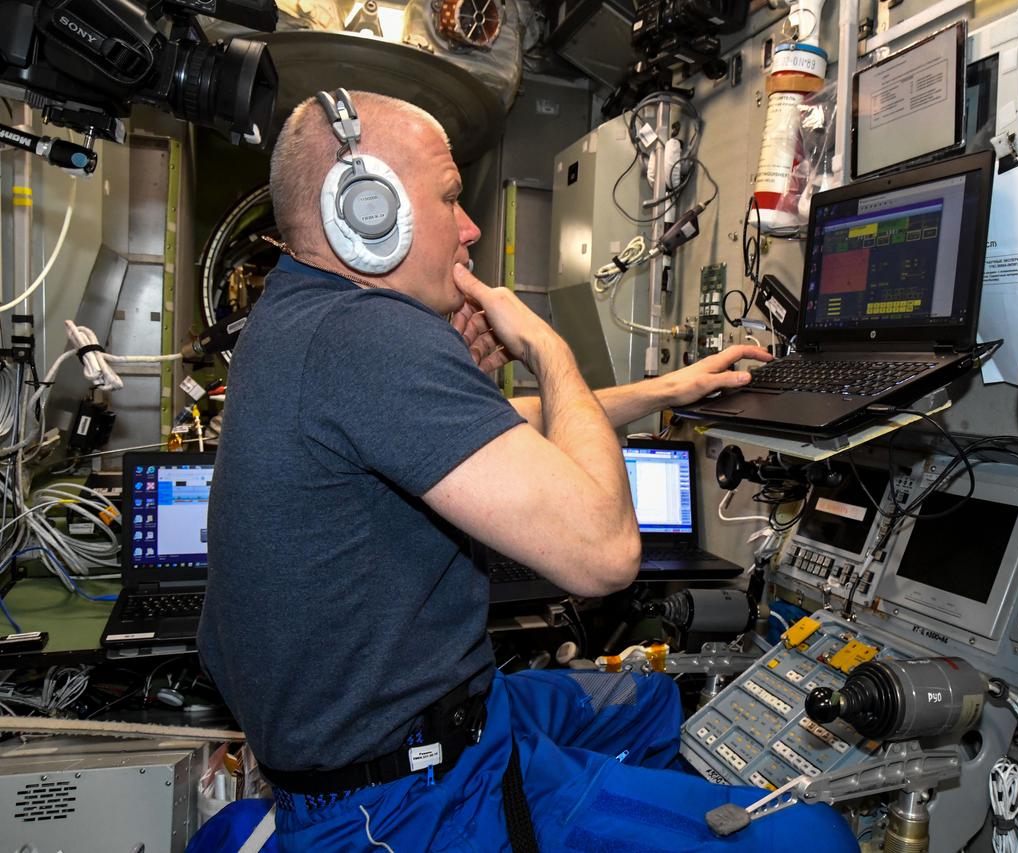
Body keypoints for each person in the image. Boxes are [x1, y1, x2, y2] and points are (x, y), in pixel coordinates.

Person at [197, 89, 858, 852]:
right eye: (451, 198)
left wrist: (672, 390)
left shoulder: (299, 313)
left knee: (649, 700)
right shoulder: (368, 337)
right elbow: (606, 552)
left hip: (448, 715)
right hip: (407, 798)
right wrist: (550, 351)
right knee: (815, 836)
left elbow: (490, 431)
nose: (472, 226)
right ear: (366, 209)